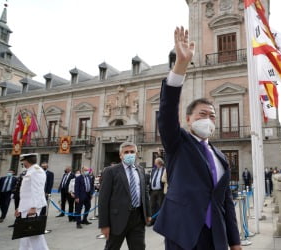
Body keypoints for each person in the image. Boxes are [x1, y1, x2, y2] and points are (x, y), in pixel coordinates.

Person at [153, 26, 241, 250]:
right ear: (188, 119)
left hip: (216, 236)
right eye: (202, 114)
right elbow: (166, 111)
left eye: (212, 115)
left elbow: (226, 202)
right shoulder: (178, 143)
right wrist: (181, 66)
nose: (208, 119)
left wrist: (235, 242)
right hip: (183, 233)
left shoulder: (220, 157)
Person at [98, 141, 151, 250]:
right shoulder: (110, 171)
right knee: (112, 247)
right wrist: (104, 224)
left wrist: (148, 214)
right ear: (120, 155)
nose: (129, 154)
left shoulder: (140, 170)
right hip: (117, 220)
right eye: (126, 152)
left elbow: (144, 193)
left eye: (132, 152)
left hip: (138, 218)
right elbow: (103, 199)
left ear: (136, 154)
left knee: (139, 247)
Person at [15, 153, 49, 250]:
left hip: (32, 207)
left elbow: (37, 190)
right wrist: (20, 208)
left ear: (27, 161)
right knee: (26, 232)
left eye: (23, 161)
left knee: (33, 233)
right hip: (26, 206)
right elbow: (26, 193)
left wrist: (34, 207)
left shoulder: (36, 171)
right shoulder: (30, 171)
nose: (23, 163)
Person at [149, 157, 166, 225]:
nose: (155, 164)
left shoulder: (164, 170)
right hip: (153, 191)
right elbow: (151, 179)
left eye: (156, 163)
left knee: (160, 206)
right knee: (152, 206)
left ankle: (160, 222)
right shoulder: (153, 170)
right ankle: (152, 220)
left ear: (160, 163)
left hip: (160, 191)